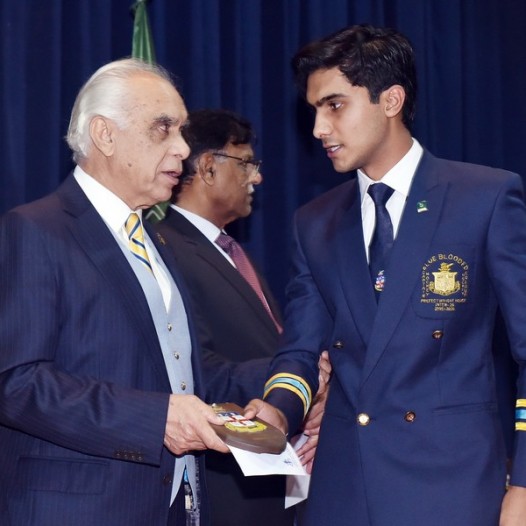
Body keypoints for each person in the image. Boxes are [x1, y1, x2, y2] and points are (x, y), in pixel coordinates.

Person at [246, 24, 526, 525]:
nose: (319, 128)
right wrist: (277, 410)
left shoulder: (484, 199)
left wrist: (524, 485)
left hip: (452, 490)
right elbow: (301, 350)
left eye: (334, 106)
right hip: (344, 493)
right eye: (314, 110)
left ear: (391, 100)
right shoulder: (315, 222)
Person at [0, 58, 260, 526]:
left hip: (175, 506)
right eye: (164, 128)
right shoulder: (35, 230)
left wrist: (289, 373)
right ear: (104, 134)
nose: (183, 148)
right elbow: (16, 382)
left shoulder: (155, 239)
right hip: (78, 510)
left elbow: (180, 373)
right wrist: (156, 420)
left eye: (182, 131)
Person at [155, 108, 291, 526]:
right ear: (208, 167)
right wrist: (296, 374)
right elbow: (193, 368)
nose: (257, 177)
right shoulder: (164, 249)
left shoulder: (229, 250)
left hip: (265, 482)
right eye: (246, 162)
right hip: (222, 487)